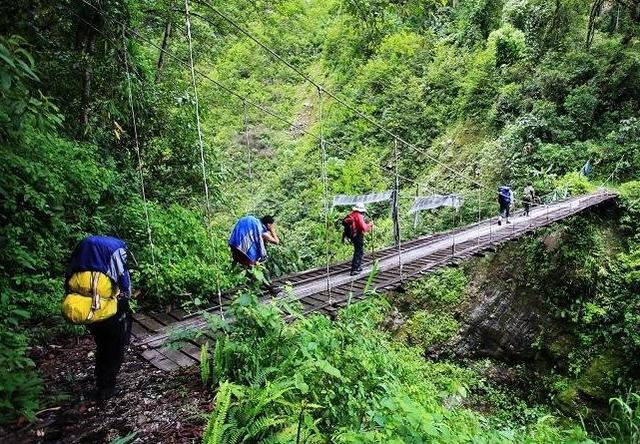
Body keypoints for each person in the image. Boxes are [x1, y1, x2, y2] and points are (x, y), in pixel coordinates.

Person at [65, 235, 133, 400]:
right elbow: (124, 284)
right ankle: (106, 387)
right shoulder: (115, 251)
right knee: (114, 347)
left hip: (87, 313)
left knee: (102, 345)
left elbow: (67, 282)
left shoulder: (80, 262)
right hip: (107, 313)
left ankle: (100, 378)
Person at [344, 203, 373, 276]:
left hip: (352, 236)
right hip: (358, 235)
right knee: (359, 251)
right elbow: (364, 228)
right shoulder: (358, 216)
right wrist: (370, 225)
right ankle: (355, 269)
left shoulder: (351, 214)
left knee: (358, 251)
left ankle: (358, 267)